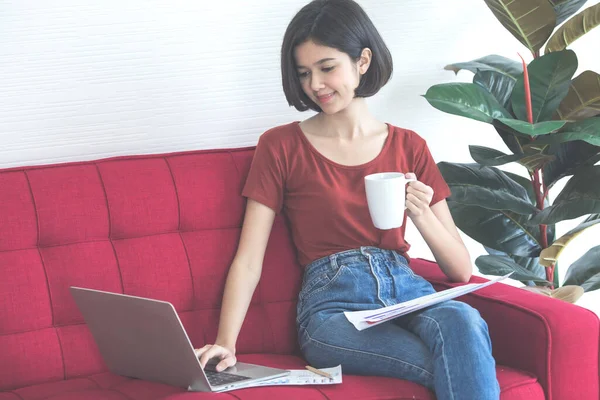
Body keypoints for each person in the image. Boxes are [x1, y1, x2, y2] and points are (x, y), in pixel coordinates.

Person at [195, 1, 500, 399]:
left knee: (464, 319)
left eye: (326, 67)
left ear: (362, 61)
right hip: (332, 309)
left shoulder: (410, 145)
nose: (315, 85)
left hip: (407, 291)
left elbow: (460, 270)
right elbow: (249, 259)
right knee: (457, 365)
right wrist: (226, 343)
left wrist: (420, 213)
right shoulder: (281, 146)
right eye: (304, 73)